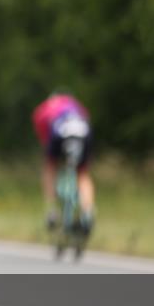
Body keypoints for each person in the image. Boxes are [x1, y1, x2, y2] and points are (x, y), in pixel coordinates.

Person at [32, 91, 95, 234]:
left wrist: (54, 157)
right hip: (83, 131)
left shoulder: (43, 109)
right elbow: (86, 118)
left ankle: (52, 209)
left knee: (49, 168)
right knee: (82, 173)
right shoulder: (74, 104)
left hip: (60, 132)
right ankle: (88, 212)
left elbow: (45, 139)